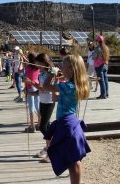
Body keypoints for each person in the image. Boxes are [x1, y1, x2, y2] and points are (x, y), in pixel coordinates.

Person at [42, 54, 91, 184]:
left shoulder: (67, 86)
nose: (61, 68)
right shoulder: (73, 85)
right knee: (75, 160)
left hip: (66, 126)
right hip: (71, 123)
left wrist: (52, 74)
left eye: (63, 65)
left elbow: (45, 86)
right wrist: (59, 78)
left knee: (72, 162)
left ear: (71, 69)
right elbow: (56, 98)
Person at [26, 53, 56, 162]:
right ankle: (48, 148)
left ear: (44, 62)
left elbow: (45, 89)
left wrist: (31, 82)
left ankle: (52, 149)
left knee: (42, 127)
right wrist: (31, 93)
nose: (37, 66)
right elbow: (40, 91)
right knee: (46, 126)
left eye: (39, 63)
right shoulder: (41, 73)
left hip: (49, 101)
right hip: (42, 101)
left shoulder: (51, 73)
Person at [24, 52, 40, 133]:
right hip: (37, 86)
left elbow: (25, 77)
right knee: (37, 107)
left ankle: (32, 126)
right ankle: (40, 124)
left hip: (30, 87)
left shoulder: (27, 67)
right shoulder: (38, 67)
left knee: (31, 108)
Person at [93, 35, 110, 99]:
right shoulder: (106, 48)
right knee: (105, 80)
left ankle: (103, 94)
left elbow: (94, 56)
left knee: (101, 80)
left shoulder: (97, 48)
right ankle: (106, 94)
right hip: (105, 65)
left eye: (96, 41)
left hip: (99, 65)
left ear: (98, 41)